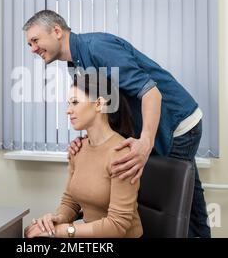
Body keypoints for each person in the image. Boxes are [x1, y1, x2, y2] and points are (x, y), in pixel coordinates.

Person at [24, 10, 210, 238]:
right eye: (29, 44)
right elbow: (105, 106)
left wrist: (145, 143)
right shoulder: (75, 63)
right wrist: (88, 142)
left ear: (56, 31)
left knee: (176, 208)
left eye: (35, 40)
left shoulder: (98, 48)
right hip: (158, 124)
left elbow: (151, 93)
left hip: (176, 123)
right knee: (190, 203)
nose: (32, 49)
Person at [25, 72, 143, 238]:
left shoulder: (121, 153)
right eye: (68, 103)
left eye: (75, 102)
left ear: (99, 104)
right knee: (30, 232)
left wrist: (63, 231)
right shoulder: (78, 149)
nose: (68, 110)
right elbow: (71, 200)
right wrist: (57, 220)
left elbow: (117, 226)